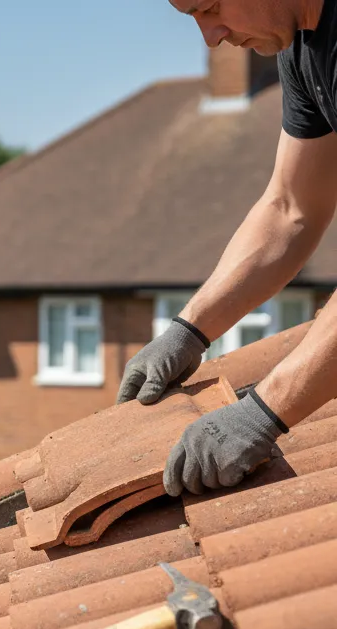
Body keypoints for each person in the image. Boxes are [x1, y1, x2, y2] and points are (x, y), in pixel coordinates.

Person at [119, 0, 337, 496]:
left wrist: (262, 413)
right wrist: (188, 331)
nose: (211, 36)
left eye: (212, 7)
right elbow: (291, 209)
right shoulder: (303, 47)